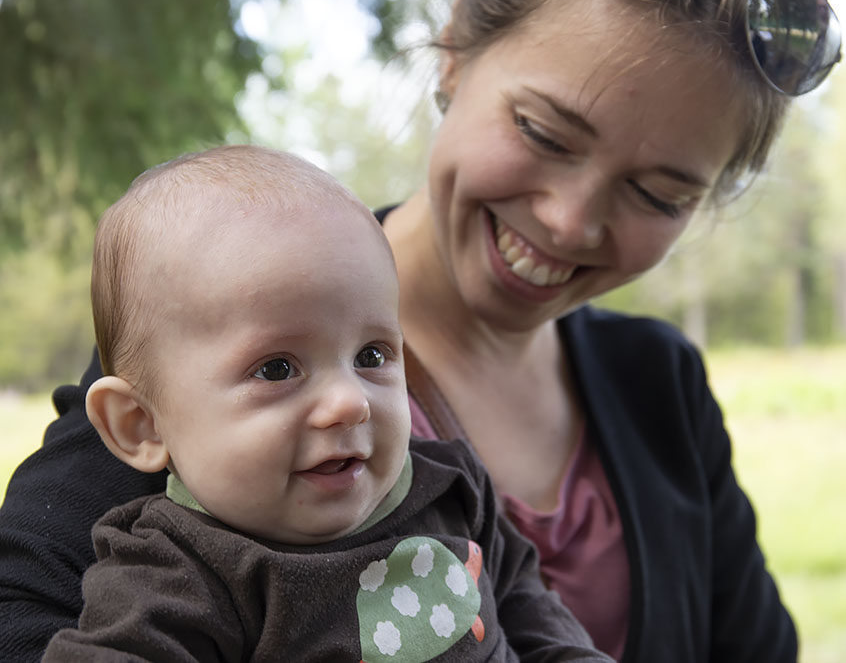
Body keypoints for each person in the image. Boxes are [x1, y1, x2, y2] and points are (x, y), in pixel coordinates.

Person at [0, 0, 842, 660]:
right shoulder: (199, 336)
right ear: (453, 56)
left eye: (659, 194)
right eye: (544, 132)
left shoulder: (659, 380)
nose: (570, 221)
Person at [39, 145, 612, 662]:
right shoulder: (179, 577)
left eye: (371, 355)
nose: (348, 402)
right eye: (277, 369)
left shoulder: (451, 487)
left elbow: (526, 603)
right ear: (141, 426)